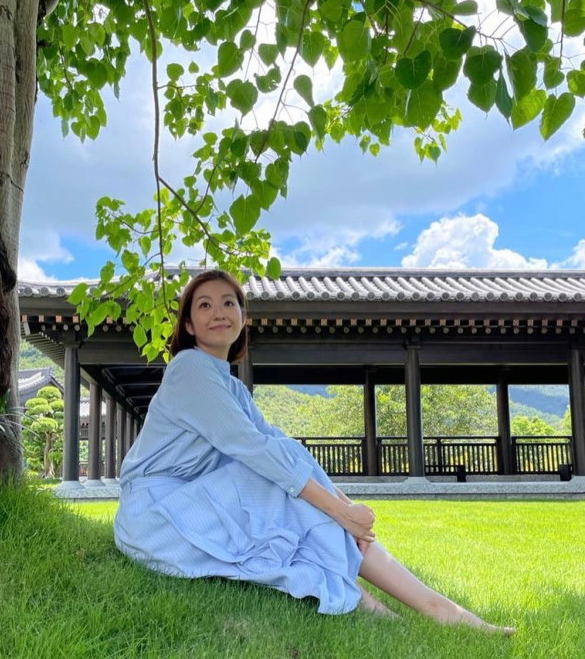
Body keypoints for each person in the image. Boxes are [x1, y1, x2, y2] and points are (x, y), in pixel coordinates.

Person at [114, 270, 514, 633]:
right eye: (204, 305)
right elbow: (255, 450)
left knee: (285, 457)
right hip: (155, 516)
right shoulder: (190, 368)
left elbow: (281, 447)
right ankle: (420, 606)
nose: (218, 312)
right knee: (268, 476)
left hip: (190, 502)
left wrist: (348, 509)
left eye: (228, 303)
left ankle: (427, 605)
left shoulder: (231, 386)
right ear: (188, 325)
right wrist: (340, 512)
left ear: (242, 317)